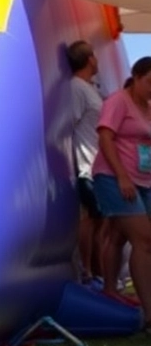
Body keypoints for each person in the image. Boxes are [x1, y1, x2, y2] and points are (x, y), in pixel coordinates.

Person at [90, 56, 151, 326]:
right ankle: (150, 314)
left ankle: (111, 289)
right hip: (115, 178)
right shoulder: (117, 101)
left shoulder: (147, 107)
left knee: (117, 236)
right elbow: (105, 136)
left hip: (143, 180)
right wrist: (122, 177)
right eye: (149, 82)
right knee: (145, 240)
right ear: (136, 77)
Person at [68, 41, 114, 285]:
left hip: (101, 166)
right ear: (89, 59)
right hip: (88, 165)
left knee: (101, 221)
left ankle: (97, 272)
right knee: (91, 219)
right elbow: (71, 124)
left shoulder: (91, 87)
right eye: (94, 55)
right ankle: (86, 271)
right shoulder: (76, 87)